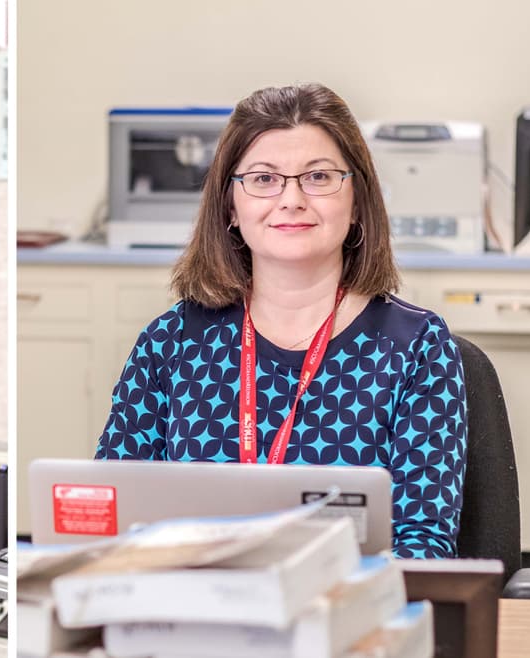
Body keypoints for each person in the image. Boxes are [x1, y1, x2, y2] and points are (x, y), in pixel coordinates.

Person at [94, 83, 466, 560]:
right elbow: (109, 524)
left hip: (345, 617)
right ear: (231, 205)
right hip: (192, 615)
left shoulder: (417, 347)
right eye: (264, 179)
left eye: (318, 177)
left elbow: (424, 546)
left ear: (357, 202)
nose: (291, 199)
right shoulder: (170, 343)